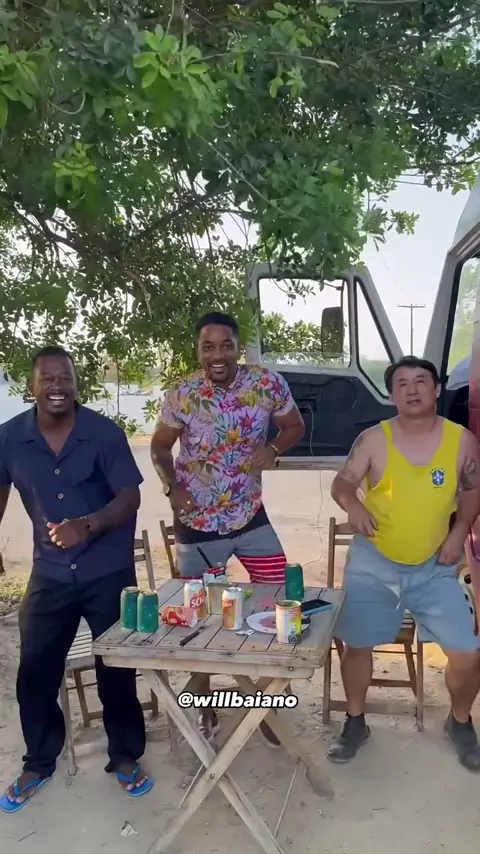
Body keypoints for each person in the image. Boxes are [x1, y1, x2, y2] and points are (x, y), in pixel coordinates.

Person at [0, 346, 152, 813]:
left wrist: (86, 525)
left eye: (64, 378)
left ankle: (124, 756)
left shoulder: (104, 434)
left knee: (116, 668)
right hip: (49, 574)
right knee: (35, 671)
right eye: (47, 379)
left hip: (107, 571)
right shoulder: (9, 438)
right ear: (31, 385)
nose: (57, 387)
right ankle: (39, 762)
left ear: (75, 383)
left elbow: (129, 498)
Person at [151, 311, 305, 740]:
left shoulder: (267, 383)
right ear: (198, 350)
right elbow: (160, 448)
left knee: (281, 601)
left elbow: (294, 425)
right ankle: (205, 706)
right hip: (197, 523)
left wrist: (274, 448)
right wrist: (171, 487)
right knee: (197, 616)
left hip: (250, 515)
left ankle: (269, 703)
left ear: (239, 348)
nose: (217, 354)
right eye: (208, 346)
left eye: (226, 345)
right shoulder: (182, 393)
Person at [328, 355, 480, 770]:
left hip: (435, 567)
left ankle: (459, 722)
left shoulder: (461, 440)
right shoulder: (373, 439)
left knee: (468, 655)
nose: (412, 390)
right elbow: (343, 482)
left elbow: (471, 491)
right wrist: (353, 505)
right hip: (373, 564)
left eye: (421, 381)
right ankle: (355, 722)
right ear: (391, 395)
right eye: (402, 384)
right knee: (357, 646)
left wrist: (458, 533)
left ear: (437, 389)